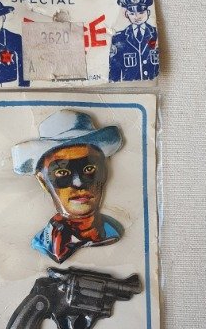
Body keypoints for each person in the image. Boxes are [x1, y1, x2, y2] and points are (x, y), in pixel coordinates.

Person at [12, 110, 124, 263]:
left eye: (89, 169)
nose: (78, 184)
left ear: (104, 172)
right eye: (62, 172)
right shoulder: (47, 243)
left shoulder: (113, 229)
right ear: (43, 181)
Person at [109, 0, 159, 82]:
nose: (137, 17)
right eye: (132, 13)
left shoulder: (155, 34)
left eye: (141, 12)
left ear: (148, 12)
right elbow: (114, 70)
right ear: (126, 14)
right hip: (129, 86)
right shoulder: (119, 38)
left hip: (153, 82)